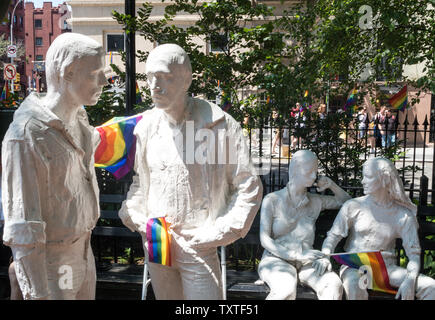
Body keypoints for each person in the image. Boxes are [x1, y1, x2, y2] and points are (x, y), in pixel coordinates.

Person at [118, 44, 263, 300]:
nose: (155, 85)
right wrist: (136, 215)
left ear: (186, 80)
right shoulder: (146, 126)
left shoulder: (217, 124)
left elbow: (248, 186)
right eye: (151, 77)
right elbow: (141, 183)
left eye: (165, 77)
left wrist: (217, 231)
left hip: (199, 244)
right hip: (157, 242)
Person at [1, 33, 106, 299]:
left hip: (84, 251)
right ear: (67, 73)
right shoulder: (26, 134)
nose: (105, 81)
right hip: (52, 262)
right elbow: (23, 224)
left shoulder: (80, 120)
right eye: (95, 73)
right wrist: (39, 293)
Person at [320, 157, 435, 300]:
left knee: (431, 287)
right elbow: (332, 237)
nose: (362, 181)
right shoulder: (353, 206)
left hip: (386, 270)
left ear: (385, 179)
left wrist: (410, 280)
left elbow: (414, 254)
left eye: (367, 177)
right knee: (356, 284)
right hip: (355, 267)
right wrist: (325, 255)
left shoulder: (402, 215)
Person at [257, 150, 351, 300]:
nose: (314, 176)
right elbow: (265, 240)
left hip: (307, 262)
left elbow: (348, 204)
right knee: (285, 289)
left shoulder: (315, 201)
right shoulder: (272, 200)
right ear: (295, 170)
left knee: (333, 286)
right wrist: (296, 255)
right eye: (309, 172)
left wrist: (332, 185)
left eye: (315, 171)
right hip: (276, 260)